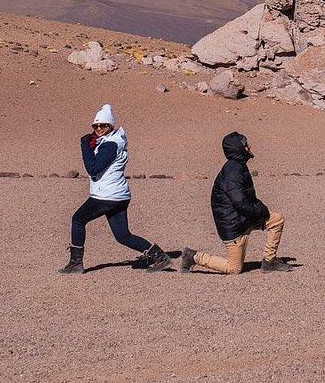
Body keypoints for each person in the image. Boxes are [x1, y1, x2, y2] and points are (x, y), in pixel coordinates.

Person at [58, 103, 172, 274]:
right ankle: (160, 257)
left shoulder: (110, 145)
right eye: (95, 126)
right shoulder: (113, 141)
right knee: (122, 235)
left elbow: (93, 169)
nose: (99, 129)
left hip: (106, 196)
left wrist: (84, 145)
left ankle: (76, 264)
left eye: (103, 125)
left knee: (78, 220)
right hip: (118, 196)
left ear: (111, 125)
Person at [178, 132, 291, 275]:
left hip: (244, 219)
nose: (249, 146)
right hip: (234, 226)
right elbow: (241, 202)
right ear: (238, 149)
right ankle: (193, 257)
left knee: (276, 219)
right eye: (245, 144)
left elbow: (246, 199)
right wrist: (261, 211)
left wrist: (261, 211)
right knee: (234, 269)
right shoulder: (232, 171)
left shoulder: (239, 166)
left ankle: (269, 261)